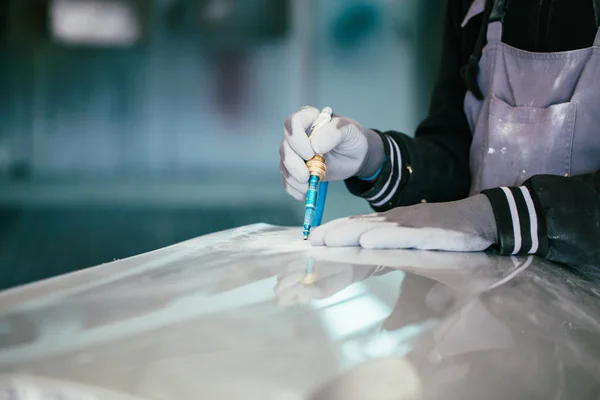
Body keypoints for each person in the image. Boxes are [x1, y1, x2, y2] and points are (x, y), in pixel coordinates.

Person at [279, 0, 600, 268]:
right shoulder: (472, 6)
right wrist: (375, 158)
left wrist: (492, 217)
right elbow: (456, 149)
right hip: (491, 301)